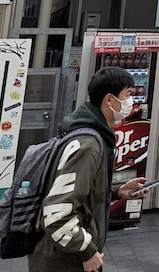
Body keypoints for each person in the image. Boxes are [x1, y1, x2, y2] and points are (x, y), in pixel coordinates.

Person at [30, 67, 147, 272]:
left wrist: (116, 191)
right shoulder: (89, 145)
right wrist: (86, 250)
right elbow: (56, 212)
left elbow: (80, 190)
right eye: (127, 94)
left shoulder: (92, 135)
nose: (131, 101)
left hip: (67, 256)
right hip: (65, 261)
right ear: (109, 100)